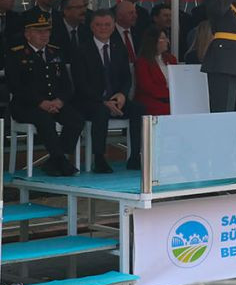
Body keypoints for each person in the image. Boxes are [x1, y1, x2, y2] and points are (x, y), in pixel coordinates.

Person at [6, 10, 83, 175]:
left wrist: (60, 101)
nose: (44, 35)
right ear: (28, 34)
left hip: (54, 102)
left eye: (46, 31)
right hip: (26, 105)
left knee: (76, 120)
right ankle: (60, 161)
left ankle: (55, 160)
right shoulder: (17, 54)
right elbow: (15, 86)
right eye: (38, 31)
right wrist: (40, 102)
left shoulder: (55, 52)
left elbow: (66, 85)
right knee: (45, 120)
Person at [74, 10, 143, 172]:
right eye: (98, 25)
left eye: (107, 25)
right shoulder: (81, 50)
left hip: (116, 99)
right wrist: (103, 101)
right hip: (91, 101)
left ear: (113, 27)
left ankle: (134, 157)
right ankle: (99, 158)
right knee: (101, 111)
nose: (103, 28)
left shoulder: (119, 48)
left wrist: (122, 95)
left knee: (139, 109)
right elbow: (80, 83)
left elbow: (127, 77)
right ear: (92, 27)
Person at [134, 27, 178, 117]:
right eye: (162, 38)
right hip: (151, 100)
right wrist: (170, 94)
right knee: (169, 109)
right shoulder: (142, 62)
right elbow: (147, 86)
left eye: (166, 38)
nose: (167, 41)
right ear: (153, 41)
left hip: (170, 99)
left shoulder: (171, 59)